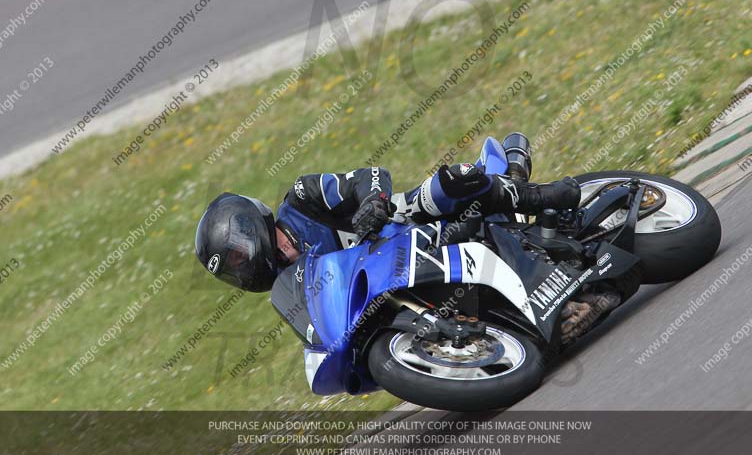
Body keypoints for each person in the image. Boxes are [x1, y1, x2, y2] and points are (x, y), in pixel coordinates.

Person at [194, 133, 609, 336]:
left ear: (248, 227)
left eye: (235, 257)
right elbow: (321, 331)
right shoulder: (293, 288)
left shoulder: (302, 200)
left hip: (410, 227)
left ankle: (539, 195)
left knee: (449, 183)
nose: (241, 268)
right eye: (231, 271)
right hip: (396, 289)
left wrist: (373, 201)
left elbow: (369, 176)